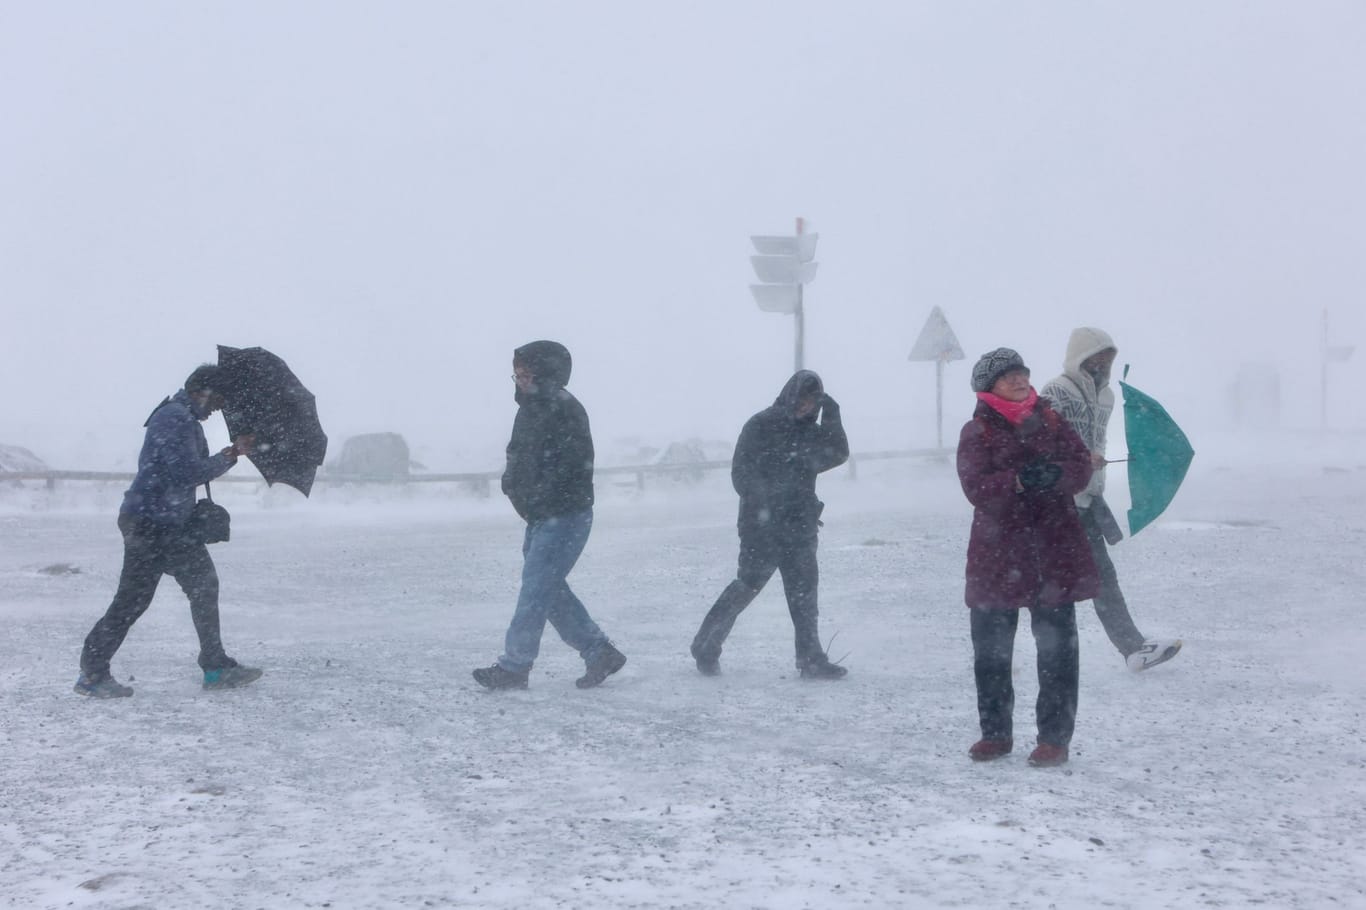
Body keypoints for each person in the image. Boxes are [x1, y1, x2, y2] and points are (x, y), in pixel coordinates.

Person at [75, 364, 261, 698]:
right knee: (154, 596)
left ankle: (95, 671)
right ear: (199, 392)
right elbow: (184, 472)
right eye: (216, 399)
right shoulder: (174, 417)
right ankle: (213, 668)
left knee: (157, 595)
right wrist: (229, 455)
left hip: (160, 522)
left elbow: (183, 472)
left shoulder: (182, 418)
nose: (217, 408)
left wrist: (232, 453)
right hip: (154, 524)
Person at [957, 348, 1099, 766]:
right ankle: (996, 733)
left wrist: (1059, 475)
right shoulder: (977, 431)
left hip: (1053, 551)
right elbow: (975, 488)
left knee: (1057, 650)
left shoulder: (1053, 419)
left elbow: (1078, 467)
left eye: (1023, 373)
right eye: (1009, 377)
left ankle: (1054, 738)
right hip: (997, 555)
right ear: (988, 387)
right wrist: (1016, 481)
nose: (1020, 381)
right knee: (992, 651)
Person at [473, 340, 626, 690]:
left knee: (535, 591)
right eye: (516, 374)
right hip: (542, 516)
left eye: (526, 373)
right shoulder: (530, 409)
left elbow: (571, 467)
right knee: (547, 590)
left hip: (565, 516)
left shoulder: (564, 409)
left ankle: (514, 666)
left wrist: (540, 495)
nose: (520, 380)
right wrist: (512, 483)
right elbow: (518, 454)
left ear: (544, 372)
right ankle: (599, 650)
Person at [690, 370, 850, 679]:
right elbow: (741, 475)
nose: (806, 406)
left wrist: (833, 412)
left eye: (813, 401)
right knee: (747, 586)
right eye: (803, 398)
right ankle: (705, 645)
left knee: (804, 596)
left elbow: (838, 453)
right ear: (790, 394)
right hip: (761, 526)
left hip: (800, 526)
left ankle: (810, 659)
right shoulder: (760, 425)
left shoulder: (812, 433)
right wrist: (769, 503)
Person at [1040, 327, 1183, 672]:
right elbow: (1040, 443)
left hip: (1089, 499)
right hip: (1059, 503)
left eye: (1109, 355)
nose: (1104, 362)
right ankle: (1043, 656)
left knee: (1102, 579)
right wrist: (1074, 461)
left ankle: (1133, 648)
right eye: (1097, 355)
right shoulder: (1056, 392)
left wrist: (1095, 462)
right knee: (1050, 587)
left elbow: (1096, 439)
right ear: (1081, 356)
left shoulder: (1107, 397)